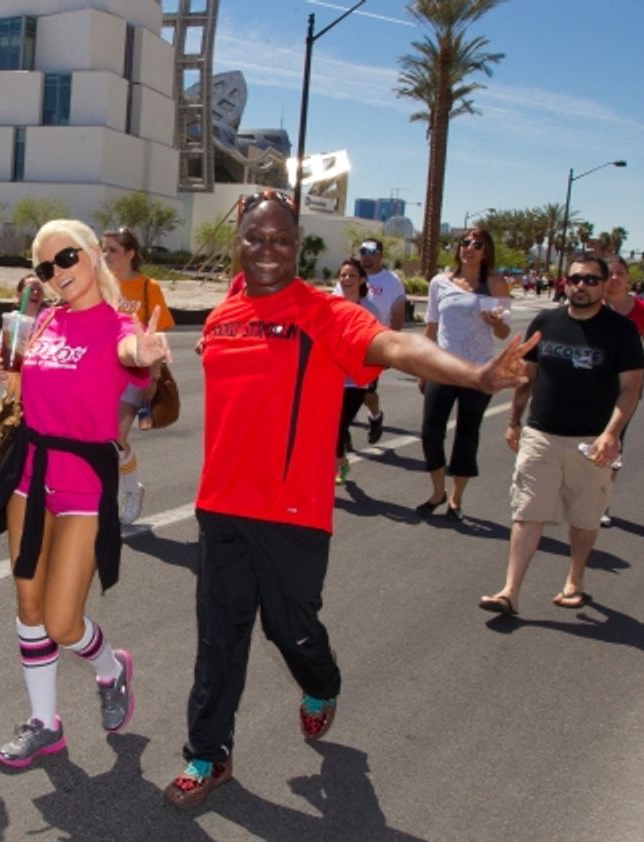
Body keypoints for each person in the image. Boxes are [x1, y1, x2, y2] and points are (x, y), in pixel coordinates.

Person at [164, 191, 538, 809]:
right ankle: (207, 756)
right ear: (238, 241)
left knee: (291, 631)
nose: (267, 249)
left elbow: (394, 347)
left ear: (298, 245)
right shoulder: (222, 313)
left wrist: (475, 376)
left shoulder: (323, 312)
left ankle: (322, 680)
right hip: (222, 507)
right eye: (255, 237)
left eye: (281, 239)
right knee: (218, 638)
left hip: (292, 511)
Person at [0, 219, 168, 768]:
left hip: (84, 484)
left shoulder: (117, 324)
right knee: (28, 603)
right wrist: (10, 377)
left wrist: (146, 349)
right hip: (30, 474)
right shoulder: (40, 323)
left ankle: (110, 669)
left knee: (63, 622)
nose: (57, 274)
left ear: (93, 254)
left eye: (66, 258)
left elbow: (133, 353)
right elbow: (23, 387)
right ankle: (45, 722)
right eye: (45, 268)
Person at [479, 256, 644, 616]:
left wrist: (611, 434)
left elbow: (631, 388)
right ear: (564, 284)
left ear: (604, 286)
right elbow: (527, 375)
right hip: (542, 434)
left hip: (592, 441)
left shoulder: (621, 331)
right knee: (526, 511)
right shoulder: (547, 322)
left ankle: (575, 580)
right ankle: (510, 591)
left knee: (585, 518)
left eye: (590, 279)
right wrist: (513, 421)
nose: (581, 285)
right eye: (575, 279)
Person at [415, 227, 511, 521]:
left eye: (477, 244)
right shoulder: (440, 283)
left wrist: (494, 322)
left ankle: (456, 499)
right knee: (431, 432)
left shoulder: (495, 284)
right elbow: (431, 326)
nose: (469, 247)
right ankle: (437, 491)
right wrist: (422, 365)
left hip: (477, 371)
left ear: (486, 251)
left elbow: (504, 331)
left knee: (467, 435)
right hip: (442, 367)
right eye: (465, 242)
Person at [102, 226, 175, 525]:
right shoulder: (100, 285)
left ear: (130, 253)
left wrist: (154, 377)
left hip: (135, 373)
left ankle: (132, 491)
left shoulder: (148, 287)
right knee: (98, 439)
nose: (106, 256)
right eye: (103, 249)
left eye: (113, 250)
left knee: (116, 437)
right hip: (102, 373)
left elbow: (157, 335)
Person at [599, 255, 644, 526]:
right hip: (591, 385)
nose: (614, 279)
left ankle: (601, 501)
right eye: (609, 273)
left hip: (626, 388)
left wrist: (641, 365)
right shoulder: (590, 304)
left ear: (628, 278)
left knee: (613, 438)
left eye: (620, 273)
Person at [339, 238, 406, 444]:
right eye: (363, 251)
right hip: (344, 350)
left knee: (366, 394)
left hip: (373, 348)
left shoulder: (391, 282)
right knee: (342, 395)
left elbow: (398, 315)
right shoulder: (348, 276)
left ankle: (375, 416)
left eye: (372, 251)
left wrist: (390, 349)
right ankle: (341, 437)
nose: (367, 255)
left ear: (380, 255)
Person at [333, 259, 379, 485]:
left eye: (352, 275)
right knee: (330, 427)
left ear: (361, 280)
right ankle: (337, 462)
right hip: (331, 377)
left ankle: (340, 463)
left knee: (339, 426)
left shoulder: (370, 309)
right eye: (343, 275)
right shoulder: (331, 305)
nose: (347, 280)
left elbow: (379, 342)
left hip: (356, 380)